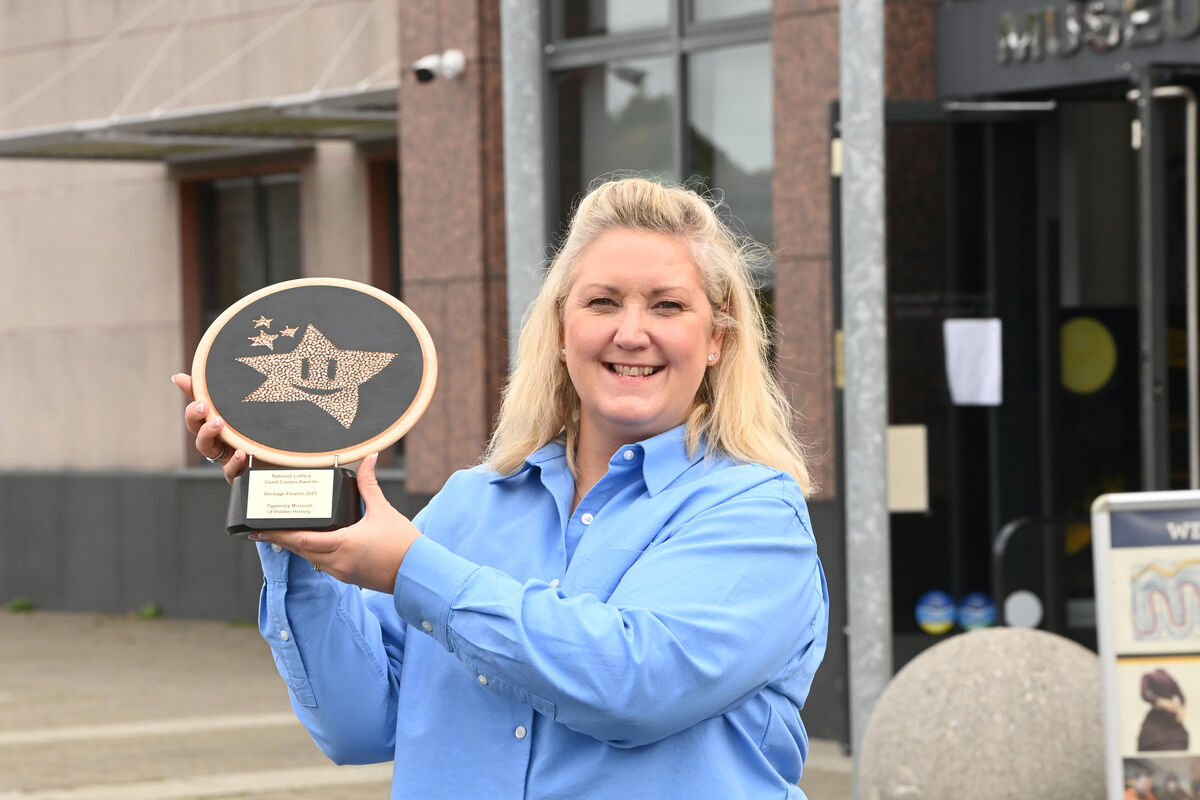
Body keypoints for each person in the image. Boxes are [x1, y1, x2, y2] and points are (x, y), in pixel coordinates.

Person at [173, 177, 829, 799]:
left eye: (667, 305)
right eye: (602, 302)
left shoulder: (754, 512)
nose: (632, 332)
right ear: (563, 331)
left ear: (715, 340)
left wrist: (410, 568)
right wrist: (299, 528)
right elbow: (357, 726)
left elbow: (636, 684)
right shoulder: (470, 502)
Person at [1138, 668, 1188, 751]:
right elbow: (1182, 698)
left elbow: (1144, 694)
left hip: (1159, 717)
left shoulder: (1149, 676)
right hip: (1170, 718)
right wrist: (1180, 709)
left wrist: (1158, 701)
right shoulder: (1170, 679)